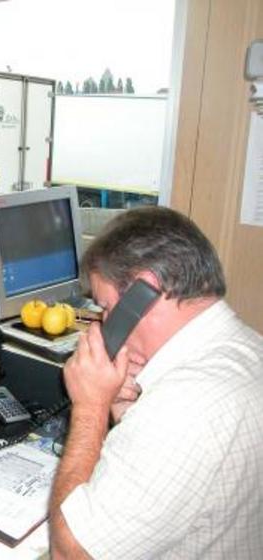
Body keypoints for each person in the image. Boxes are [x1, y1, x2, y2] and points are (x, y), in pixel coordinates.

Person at [49, 206, 263, 559]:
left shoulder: (182, 408)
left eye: (105, 308)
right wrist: (121, 408)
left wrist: (89, 407)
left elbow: (70, 552)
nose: (104, 324)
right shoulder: (246, 348)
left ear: (143, 293)